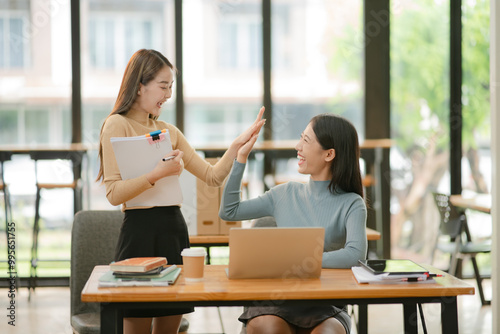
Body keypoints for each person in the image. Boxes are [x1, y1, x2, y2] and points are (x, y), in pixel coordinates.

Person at [96, 49, 265, 334]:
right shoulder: (117, 124)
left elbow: (212, 177)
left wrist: (237, 148)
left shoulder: (168, 131)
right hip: (137, 236)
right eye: (163, 86)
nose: (169, 94)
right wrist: (156, 174)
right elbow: (113, 193)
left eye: (171, 87)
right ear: (140, 86)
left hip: (173, 234)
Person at [219, 113, 367, 334]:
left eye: (306, 141)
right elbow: (229, 211)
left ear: (329, 154)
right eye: (300, 138)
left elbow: (355, 255)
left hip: (325, 303)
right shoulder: (284, 194)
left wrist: (298, 261)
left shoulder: (352, 203)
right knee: (270, 327)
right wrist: (241, 158)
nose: (298, 146)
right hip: (276, 300)